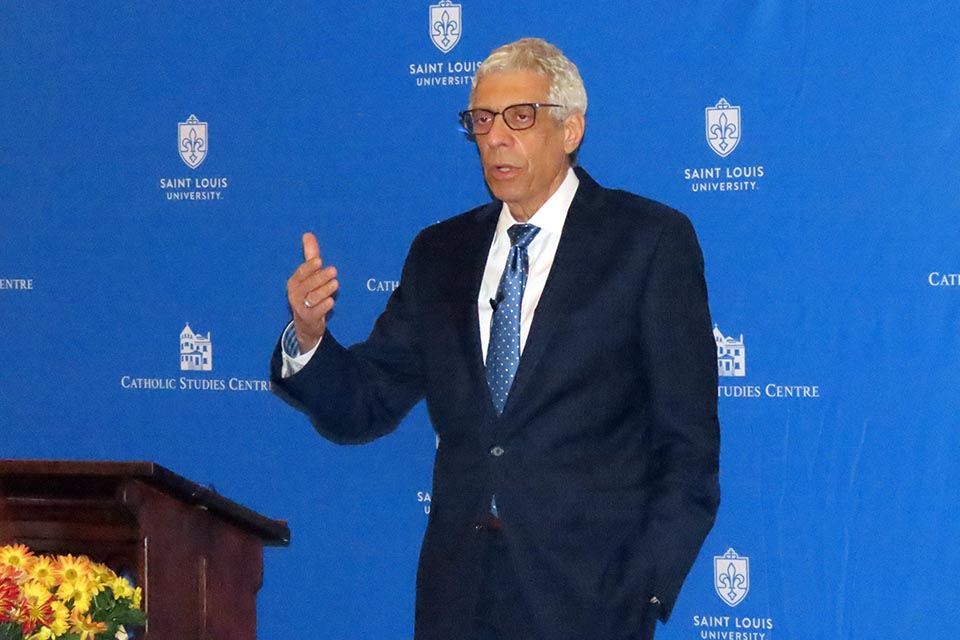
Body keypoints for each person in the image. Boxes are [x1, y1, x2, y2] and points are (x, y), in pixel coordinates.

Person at [271, 37, 720, 640]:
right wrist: (308, 336)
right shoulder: (440, 253)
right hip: (459, 596)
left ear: (571, 129)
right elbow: (366, 403)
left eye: (520, 117)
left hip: (592, 600)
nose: (496, 137)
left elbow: (688, 445)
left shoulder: (648, 241)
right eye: (482, 120)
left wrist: (645, 585)